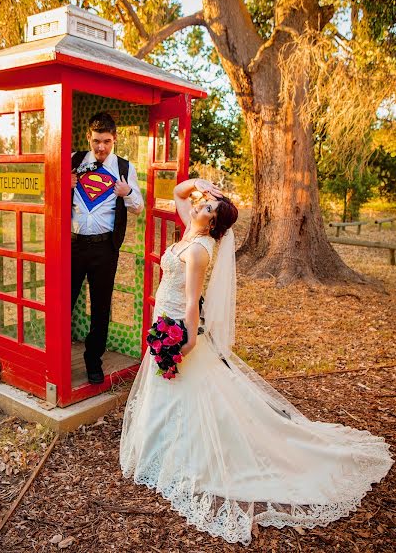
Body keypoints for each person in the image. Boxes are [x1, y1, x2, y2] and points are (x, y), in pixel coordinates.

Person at [120, 178, 393, 546]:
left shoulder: (200, 249)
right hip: (161, 324)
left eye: (208, 209)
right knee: (166, 391)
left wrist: (183, 343)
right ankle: (158, 449)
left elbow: (190, 302)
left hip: (175, 327)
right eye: (203, 205)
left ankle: (178, 456)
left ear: (213, 225)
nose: (200, 205)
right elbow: (181, 192)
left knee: (184, 390)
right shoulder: (190, 227)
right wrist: (203, 185)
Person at [71, 112, 144, 384]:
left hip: (105, 248)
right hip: (73, 245)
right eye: (97, 141)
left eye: (107, 142)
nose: (101, 147)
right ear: (89, 137)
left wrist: (128, 194)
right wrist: (63, 185)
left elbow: (138, 208)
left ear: (115, 140)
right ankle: (57, 358)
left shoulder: (124, 168)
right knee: (64, 301)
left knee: (101, 307)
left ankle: (93, 361)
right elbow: (49, 196)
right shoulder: (74, 161)